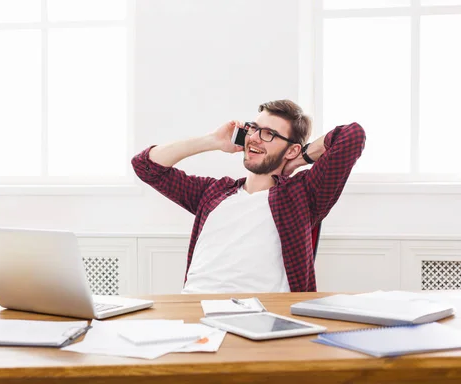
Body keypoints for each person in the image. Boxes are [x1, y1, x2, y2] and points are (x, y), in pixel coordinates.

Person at [132, 100, 366, 293]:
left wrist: (298, 159)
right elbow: (145, 166)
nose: (254, 137)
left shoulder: (301, 196)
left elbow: (352, 135)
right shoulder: (214, 192)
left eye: (269, 134)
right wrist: (212, 141)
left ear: (292, 148)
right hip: (194, 311)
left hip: (259, 317)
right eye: (253, 128)